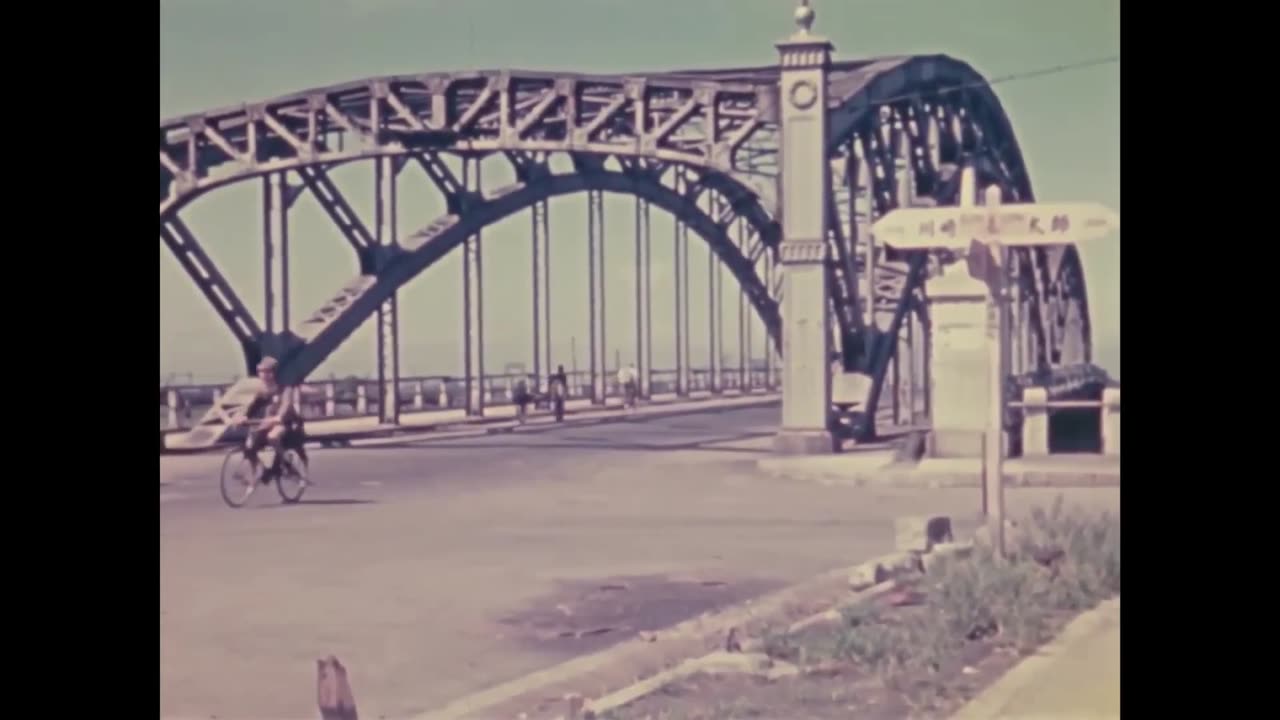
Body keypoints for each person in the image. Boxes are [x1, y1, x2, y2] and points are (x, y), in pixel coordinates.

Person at [228, 357, 306, 480]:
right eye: (261, 371)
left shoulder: (285, 388)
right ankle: (260, 470)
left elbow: (286, 404)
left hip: (286, 422)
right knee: (250, 444)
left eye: (268, 372)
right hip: (268, 422)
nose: (264, 375)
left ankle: (286, 463)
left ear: (274, 373)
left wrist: (279, 416)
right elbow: (251, 406)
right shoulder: (260, 390)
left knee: (273, 437)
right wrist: (241, 417)